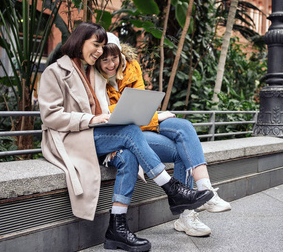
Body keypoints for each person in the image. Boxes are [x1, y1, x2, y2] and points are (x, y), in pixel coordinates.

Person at [38, 22, 213, 252]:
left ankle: (116, 229)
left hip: (96, 134)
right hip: (72, 138)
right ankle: (172, 189)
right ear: (80, 41)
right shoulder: (55, 72)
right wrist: (89, 120)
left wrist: (113, 118)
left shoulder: (92, 71)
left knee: (129, 154)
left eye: (102, 46)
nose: (100, 51)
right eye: (96, 45)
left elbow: (104, 109)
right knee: (130, 132)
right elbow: (50, 116)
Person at [94, 32, 232, 238]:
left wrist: (149, 116)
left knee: (184, 126)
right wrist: (157, 116)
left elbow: (139, 107)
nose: (111, 64)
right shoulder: (95, 79)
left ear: (120, 54)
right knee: (180, 150)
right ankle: (186, 216)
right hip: (127, 134)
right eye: (104, 60)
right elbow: (115, 119)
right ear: (97, 62)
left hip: (142, 124)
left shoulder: (132, 67)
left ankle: (206, 191)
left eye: (114, 58)